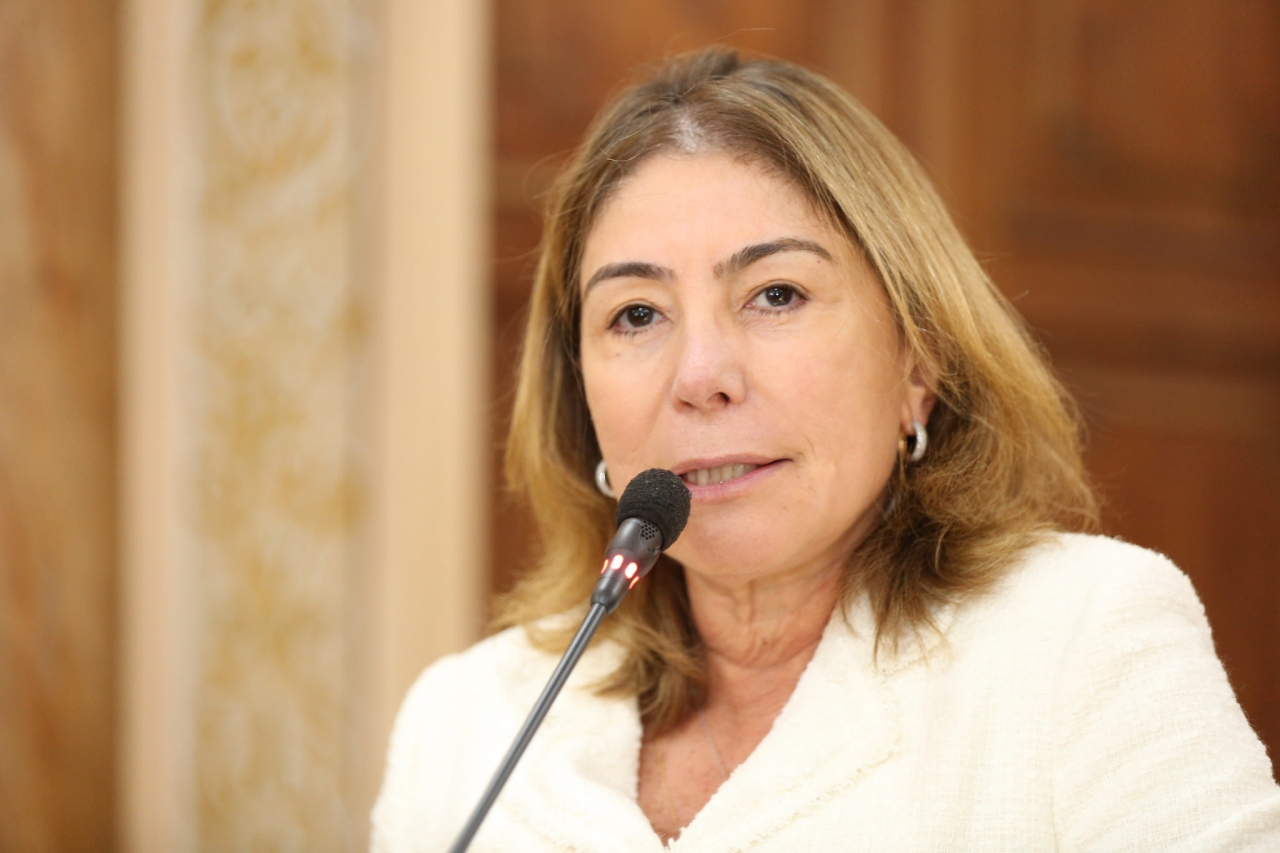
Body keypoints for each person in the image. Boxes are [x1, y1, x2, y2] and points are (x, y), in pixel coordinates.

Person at [370, 48, 1280, 851]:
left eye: (776, 294)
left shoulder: (1084, 643)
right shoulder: (464, 726)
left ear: (917, 360)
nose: (701, 375)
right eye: (637, 314)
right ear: (581, 395)